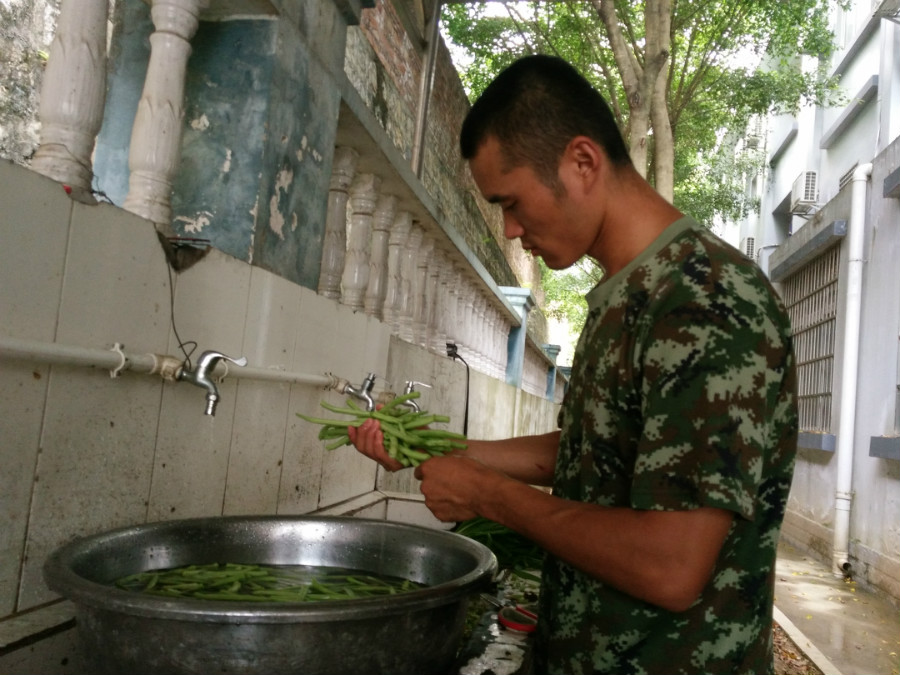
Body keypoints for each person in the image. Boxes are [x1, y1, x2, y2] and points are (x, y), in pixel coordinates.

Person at [349, 54, 798, 675]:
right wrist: (442, 453)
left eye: (511, 202)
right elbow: (593, 452)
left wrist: (490, 496)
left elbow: (671, 566)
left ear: (582, 162)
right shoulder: (627, 293)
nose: (509, 230)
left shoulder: (705, 301)